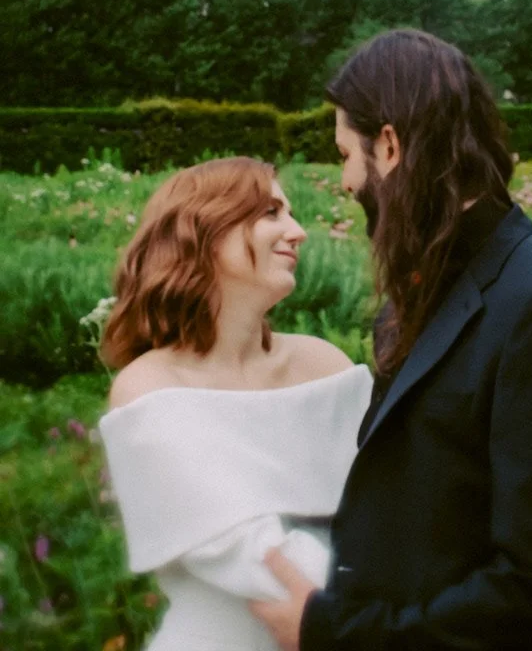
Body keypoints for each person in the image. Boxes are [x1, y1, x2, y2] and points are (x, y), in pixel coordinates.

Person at [251, 29, 532, 651]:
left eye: (346, 154)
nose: (344, 181)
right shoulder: (425, 291)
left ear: (390, 146)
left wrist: (334, 635)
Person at [98, 157, 373, 651]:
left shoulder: (326, 365)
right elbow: (244, 552)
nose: (298, 231)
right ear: (201, 232)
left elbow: (395, 503)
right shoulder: (150, 387)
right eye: (271, 213)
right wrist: (400, 619)